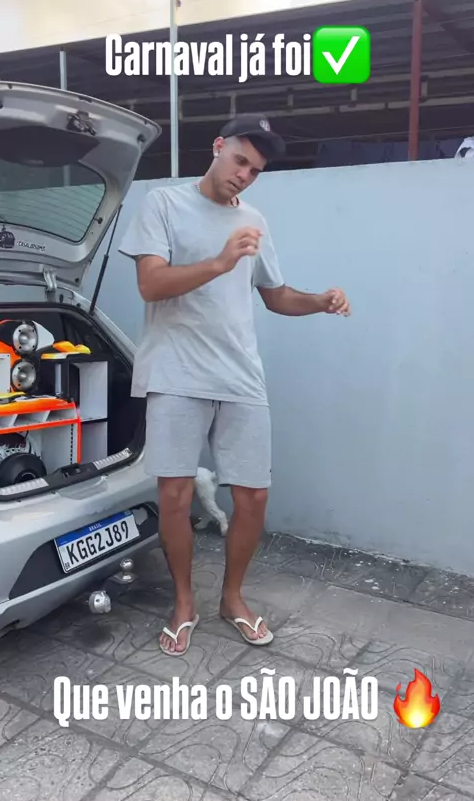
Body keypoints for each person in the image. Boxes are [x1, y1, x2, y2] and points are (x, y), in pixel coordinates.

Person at [118, 114, 351, 656]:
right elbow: (151, 283)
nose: (245, 174)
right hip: (175, 372)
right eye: (240, 160)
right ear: (218, 146)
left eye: (255, 170)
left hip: (240, 375)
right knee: (174, 496)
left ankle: (232, 598)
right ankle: (184, 603)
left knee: (253, 496)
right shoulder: (164, 204)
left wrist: (319, 301)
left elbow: (276, 295)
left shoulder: (253, 220)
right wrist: (220, 261)